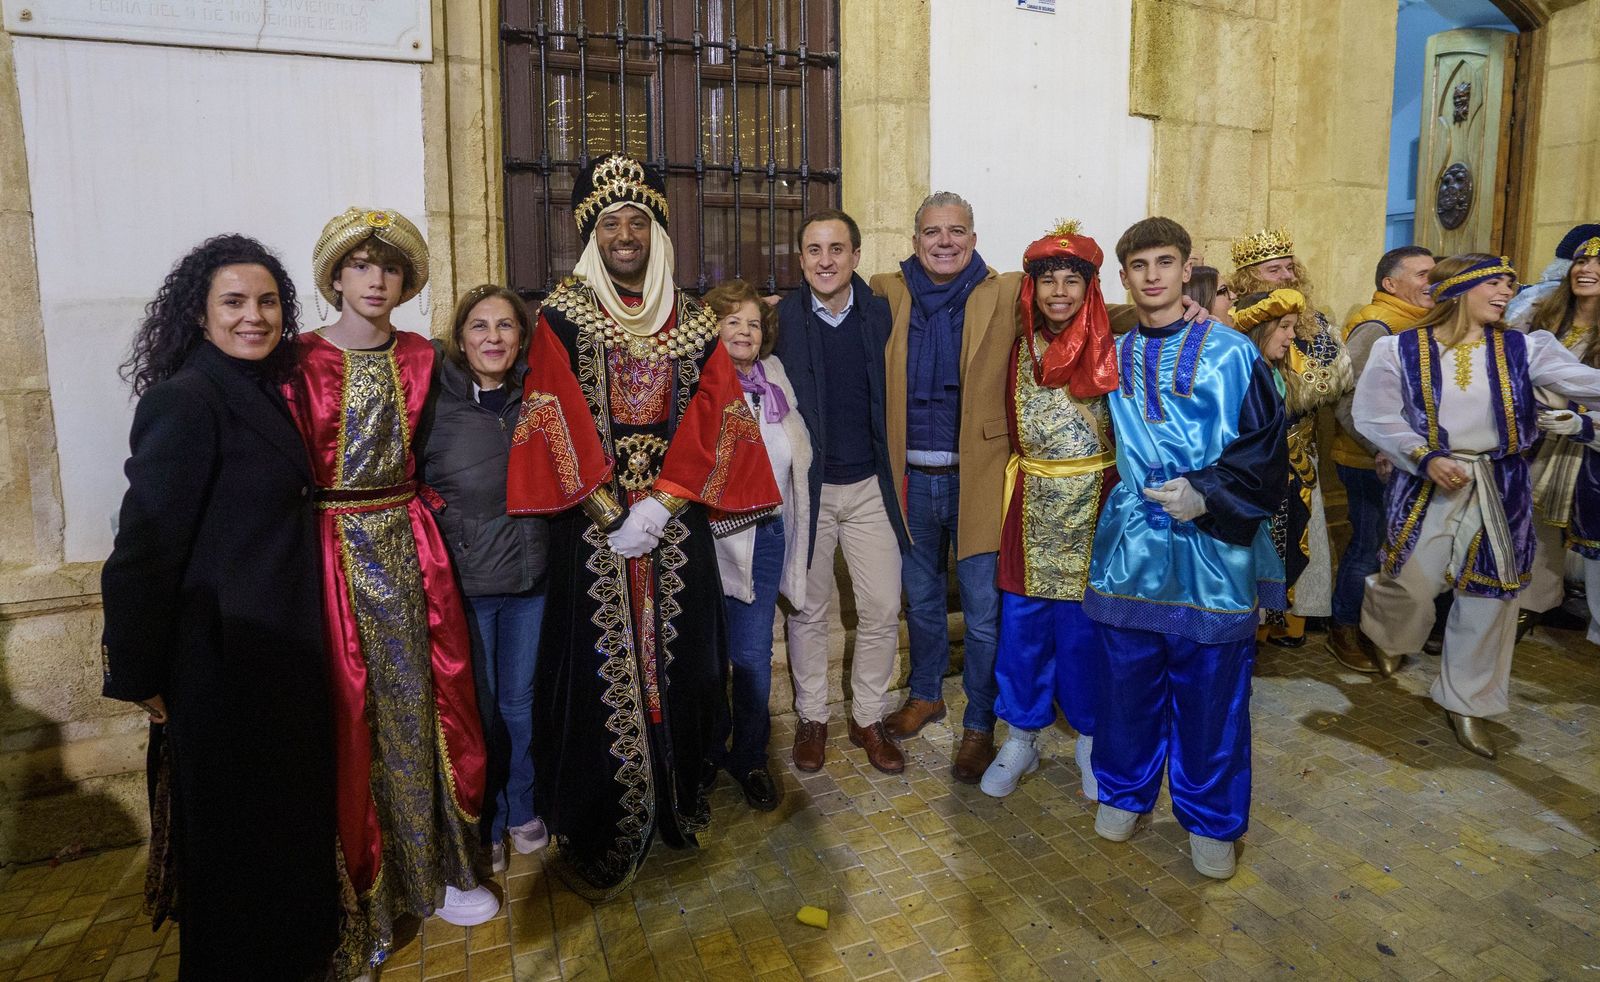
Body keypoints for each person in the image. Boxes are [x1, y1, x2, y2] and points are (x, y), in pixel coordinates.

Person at [505, 153, 780, 900]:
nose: (625, 235)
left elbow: (717, 414)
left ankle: (678, 802)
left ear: (656, 233)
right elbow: (552, 412)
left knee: (684, 666)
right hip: (592, 535)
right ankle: (606, 822)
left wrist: (662, 502)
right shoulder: (563, 313)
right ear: (592, 235)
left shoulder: (692, 322)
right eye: (610, 223)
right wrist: (608, 510)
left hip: (674, 528)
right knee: (599, 674)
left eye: (638, 222)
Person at [101, 235, 338, 980]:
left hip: (278, 655)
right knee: (232, 853)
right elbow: (145, 548)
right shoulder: (187, 398)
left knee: (283, 834)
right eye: (233, 302)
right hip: (223, 666)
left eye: (267, 301)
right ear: (200, 316)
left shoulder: (262, 388)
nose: (254, 317)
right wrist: (141, 673)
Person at [289, 207, 495, 976]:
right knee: (348, 720)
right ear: (336, 276)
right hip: (330, 552)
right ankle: (362, 907)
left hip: (410, 548)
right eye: (361, 266)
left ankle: (436, 870)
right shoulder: (296, 360)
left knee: (424, 708)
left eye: (390, 269)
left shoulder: (420, 357)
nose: (376, 280)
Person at [1084, 217, 1287, 880]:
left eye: (1164, 263)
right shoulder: (1110, 351)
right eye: (1138, 265)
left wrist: (1206, 490)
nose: (1151, 277)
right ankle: (1123, 791)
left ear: (1185, 268)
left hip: (1209, 544)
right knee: (1124, 683)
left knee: (1211, 694)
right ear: (1123, 276)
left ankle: (1211, 818)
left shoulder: (1233, 353)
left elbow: (1266, 450)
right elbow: (1049, 324)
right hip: (1133, 544)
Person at [1354, 253, 1600, 759]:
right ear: (1459, 288)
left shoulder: (1525, 348)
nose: (1507, 293)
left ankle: (1467, 701)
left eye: (1510, 284)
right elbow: (1374, 414)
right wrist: (1423, 457)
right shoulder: (1398, 349)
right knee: (1412, 583)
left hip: (1500, 482)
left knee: (1491, 596)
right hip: (1427, 482)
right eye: (1495, 282)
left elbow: (1587, 384)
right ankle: (1388, 633)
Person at [873, 192, 1016, 783]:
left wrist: (1183, 309)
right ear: (915, 241)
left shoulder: (1004, 291)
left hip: (976, 477)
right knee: (923, 600)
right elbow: (816, 308)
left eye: (957, 231)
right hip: (909, 479)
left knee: (983, 614)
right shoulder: (886, 291)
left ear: (974, 239)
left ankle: (980, 722)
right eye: (933, 232)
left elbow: (1087, 306)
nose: (945, 242)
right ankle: (928, 693)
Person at [978, 221, 1119, 801]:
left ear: (1089, 289)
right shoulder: (1018, 352)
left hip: (1095, 506)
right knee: (1023, 630)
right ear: (1031, 290)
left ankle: (1090, 739)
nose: (1059, 291)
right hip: (1031, 506)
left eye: (1071, 281)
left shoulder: (1116, 352)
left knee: (1086, 633)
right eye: (1048, 281)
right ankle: (1021, 737)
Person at [417, 284, 550, 873]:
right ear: (460, 337)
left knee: (521, 705)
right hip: (467, 588)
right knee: (481, 710)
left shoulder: (538, 398)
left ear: (521, 338)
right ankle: (486, 822)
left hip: (530, 580)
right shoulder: (434, 405)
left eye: (505, 326)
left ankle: (522, 809)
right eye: (479, 326)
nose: (492, 337)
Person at [774, 210, 910, 776]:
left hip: (870, 487)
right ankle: (812, 717)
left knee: (881, 606)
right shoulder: (780, 320)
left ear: (856, 256)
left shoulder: (882, 315)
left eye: (837, 249)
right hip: (810, 490)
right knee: (807, 609)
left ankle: (868, 717)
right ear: (801, 259)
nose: (825, 260)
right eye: (814, 250)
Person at [706, 280, 812, 810]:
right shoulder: (697, 379)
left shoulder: (773, 377)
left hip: (767, 533)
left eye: (753, 322)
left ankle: (748, 756)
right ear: (711, 327)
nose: (745, 331)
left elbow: (794, 449)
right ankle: (703, 753)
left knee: (751, 656)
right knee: (703, 656)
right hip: (706, 540)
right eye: (732, 322)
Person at [1230, 229, 1351, 643]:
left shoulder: (1315, 325)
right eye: (1273, 269)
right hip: (1253, 453)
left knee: (1300, 532)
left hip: (1301, 447)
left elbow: (1331, 384)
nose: (1285, 275)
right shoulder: (1235, 322)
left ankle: (1292, 622)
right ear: (1250, 278)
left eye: (1288, 267)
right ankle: (1255, 624)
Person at [1329, 246, 1435, 672]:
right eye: (1423, 274)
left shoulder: (1426, 323)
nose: (1433, 282)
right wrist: (1381, 447)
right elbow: (1343, 397)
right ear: (1390, 284)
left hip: (1412, 460)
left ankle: (1385, 631)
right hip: (1368, 461)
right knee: (1368, 547)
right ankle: (1344, 629)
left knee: (1403, 550)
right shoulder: (1378, 326)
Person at [1519, 224, 1600, 629]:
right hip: (1535, 439)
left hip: (1588, 449)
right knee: (1534, 530)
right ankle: (1529, 607)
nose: (1588, 269)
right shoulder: (1541, 313)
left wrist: (1583, 421)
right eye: (1583, 260)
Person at [1233, 290, 1314, 638]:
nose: (1291, 336)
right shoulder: (1242, 374)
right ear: (1259, 329)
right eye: (1283, 326)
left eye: (1293, 327)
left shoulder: (1272, 373)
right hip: (1244, 497)